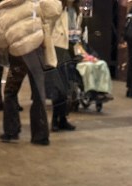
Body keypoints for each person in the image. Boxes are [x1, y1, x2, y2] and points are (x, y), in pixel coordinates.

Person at [0, 0, 63, 145]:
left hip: (17, 56)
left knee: (10, 91)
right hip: (36, 51)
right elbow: (56, 9)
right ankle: (40, 136)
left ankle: (11, 131)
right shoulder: (35, 3)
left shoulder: (4, 9)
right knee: (38, 93)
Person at [49, 0, 76, 131]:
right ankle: (55, 120)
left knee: (65, 88)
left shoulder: (69, 10)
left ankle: (63, 119)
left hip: (65, 49)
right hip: (56, 49)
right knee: (58, 88)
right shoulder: (55, 8)